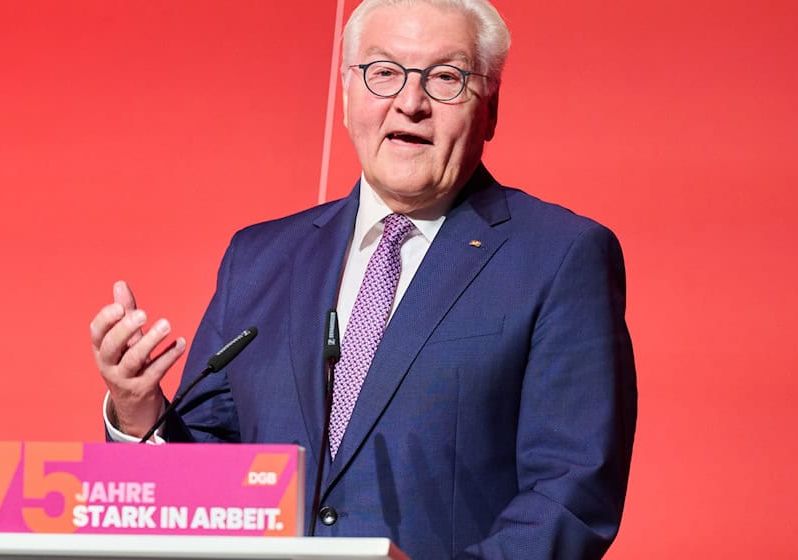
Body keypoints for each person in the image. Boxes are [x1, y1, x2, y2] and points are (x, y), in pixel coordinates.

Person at [89, 0, 637, 558]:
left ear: (491, 108)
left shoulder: (560, 256)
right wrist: (138, 413)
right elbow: (209, 477)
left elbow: (570, 496)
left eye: (446, 77)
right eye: (384, 73)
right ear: (348, 97)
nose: (411, 102)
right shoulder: (258, 259)